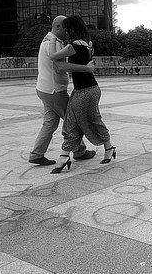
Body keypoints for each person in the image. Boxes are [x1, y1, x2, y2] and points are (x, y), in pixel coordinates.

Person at [49, 16, 116, 174]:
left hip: (85, 90)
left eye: (66, 28)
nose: (64, 31)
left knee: (87, 120)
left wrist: (52, 38)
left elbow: (52, 56)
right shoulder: (88, 43)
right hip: (87, 89)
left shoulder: (74, 45)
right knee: (76, 121)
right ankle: (66, 155)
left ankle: (107, 148)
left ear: (71, 28)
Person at [29, 15, 96, 166]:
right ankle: (79, 151)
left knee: (50, 123)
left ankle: (36, 154)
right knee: (73, 120)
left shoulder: (51, 41)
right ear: (58, 27)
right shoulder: (51, 43)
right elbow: (60, 67)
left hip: (44, 89)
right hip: (54, 91)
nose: (68, 32)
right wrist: (86, 68)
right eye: (65, 28)